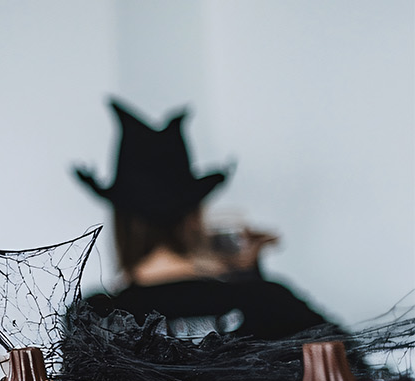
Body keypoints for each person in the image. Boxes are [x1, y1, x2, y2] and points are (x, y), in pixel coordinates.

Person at [73, 99, 331, 341]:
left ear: (121, 224)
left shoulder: (96, 318)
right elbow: (345, 365)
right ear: (195, 219)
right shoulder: (266, 300)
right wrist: (250, 279)